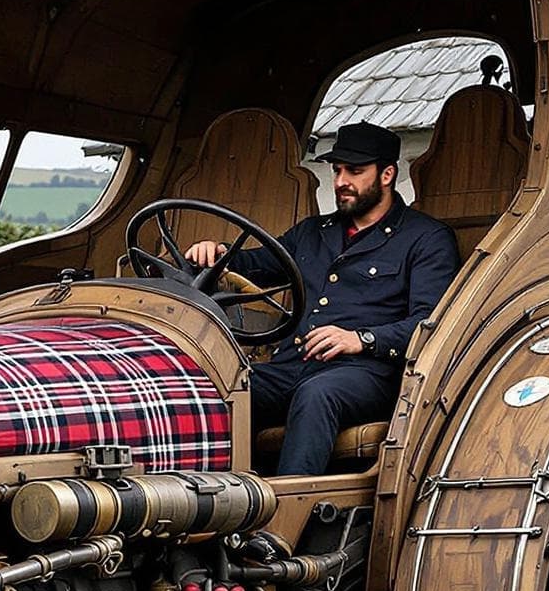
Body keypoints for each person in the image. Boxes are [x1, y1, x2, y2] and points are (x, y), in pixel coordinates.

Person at [186, 120, 460, 476]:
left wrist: (360, 339)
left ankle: (284, 519)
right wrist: (218, 252)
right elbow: (256, 264)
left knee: (318, 395)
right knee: (221, 389)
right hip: (292, 365)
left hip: (366, 373)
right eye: (337, 170)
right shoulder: (313, 232)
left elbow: (429, 326)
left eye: (355, 171)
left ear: (387, 174)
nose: (341, 181)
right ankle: (206, 501)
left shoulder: (425, 238)